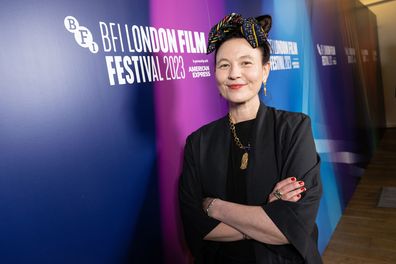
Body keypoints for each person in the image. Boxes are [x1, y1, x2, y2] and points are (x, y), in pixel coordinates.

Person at [178, 13, 322, 264]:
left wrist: (215, 207)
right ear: (215, 74)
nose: (234, 74)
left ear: (265, 70)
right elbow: (196, 227)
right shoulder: (198, 142)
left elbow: (292, 227)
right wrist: (267, 215)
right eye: (224, 65)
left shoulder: (294, 128)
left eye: (246, 63)